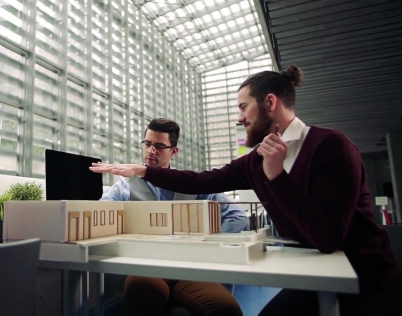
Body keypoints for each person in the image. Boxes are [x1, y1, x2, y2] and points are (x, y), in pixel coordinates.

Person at [91, 66, 402, 316]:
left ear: (270, 102)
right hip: (311, 280)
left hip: (365, 285)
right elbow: (202, 181)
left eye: (243, 107)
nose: (239, 118)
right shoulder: (255, 161)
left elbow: (328, 237)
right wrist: (143, 171)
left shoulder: (331, 146)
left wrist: (276, 174)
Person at [101, 118, 247, 316]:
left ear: (173, 151)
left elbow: (237, 216)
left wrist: (208, 248)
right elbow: (101, 212)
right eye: (148, 144)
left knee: (226, 309)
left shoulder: (191, 183)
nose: (151, 151)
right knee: (141, 289)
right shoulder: (126, 185)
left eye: (159, 146)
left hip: (190, 267)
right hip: (149, 266)